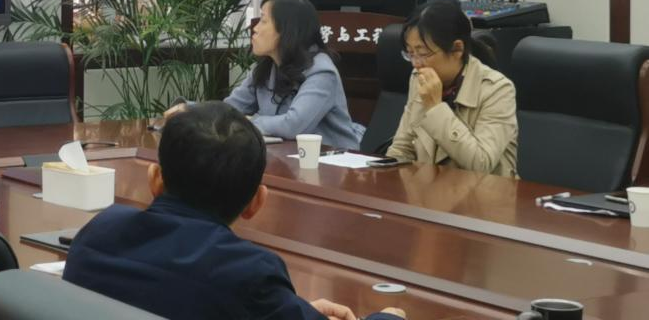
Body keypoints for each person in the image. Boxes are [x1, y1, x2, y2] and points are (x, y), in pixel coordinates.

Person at [63, 101, 405, 320]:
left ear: (154, 179)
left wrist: (294, 311)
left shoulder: (99, 232)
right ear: (257, 202)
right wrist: (389, 317)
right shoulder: (247, 273)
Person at [386, 0, 518, 176]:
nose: (416, 64)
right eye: (410, 54)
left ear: (457, 49)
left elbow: (481, 164)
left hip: (481, 192)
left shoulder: (497, 89)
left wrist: (435, 108)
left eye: (423, 53)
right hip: (426, 189)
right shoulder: (418, 77)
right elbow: (402, 147)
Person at [220, 0, 365, 149]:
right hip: (284, 155)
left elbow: (293, 126)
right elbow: (229, 110)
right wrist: (200, 113)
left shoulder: (321, 71)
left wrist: (249, 122)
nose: (255, 28)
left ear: (287, 30)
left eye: (263, 21)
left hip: (331, 159)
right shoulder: (265, 67)